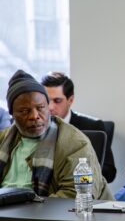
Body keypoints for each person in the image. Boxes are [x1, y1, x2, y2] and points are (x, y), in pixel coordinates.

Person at [0, 69, 112, 200]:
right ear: (12, 114)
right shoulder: (3, 139)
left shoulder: (75, 143)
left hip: (48, 216)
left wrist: (31, 212)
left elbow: (77, 195)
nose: (35, 116)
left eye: (40, 107)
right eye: (25, 111)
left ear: (48, 107)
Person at [41, 72, 116, 183]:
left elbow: (109, 172)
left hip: (79, 190)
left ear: (70, 100)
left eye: (57, 101)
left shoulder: (93, 126)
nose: (50, 107)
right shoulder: (35, 126)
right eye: (46, 100)